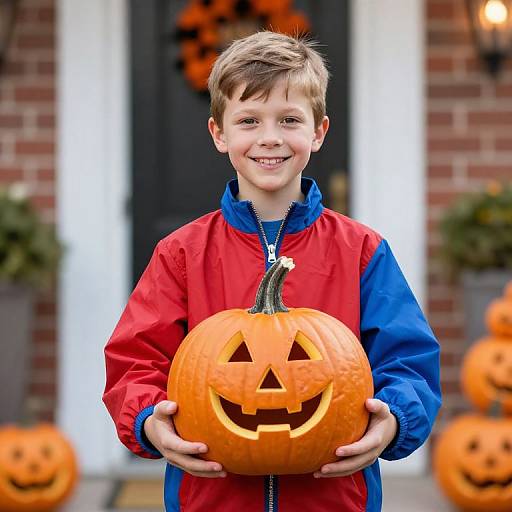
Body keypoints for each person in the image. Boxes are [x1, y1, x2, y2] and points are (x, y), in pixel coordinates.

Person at [103, 31, 441, 512]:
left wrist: (394, 421)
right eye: (249, 120)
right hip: (212, 497)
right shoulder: (181, 253)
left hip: (333, 498)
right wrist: (148, 421)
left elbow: (408, 360)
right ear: (219, 134)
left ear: (319, 131)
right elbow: (135, 360)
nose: (269, 137)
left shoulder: (362, 251)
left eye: (289, 119)